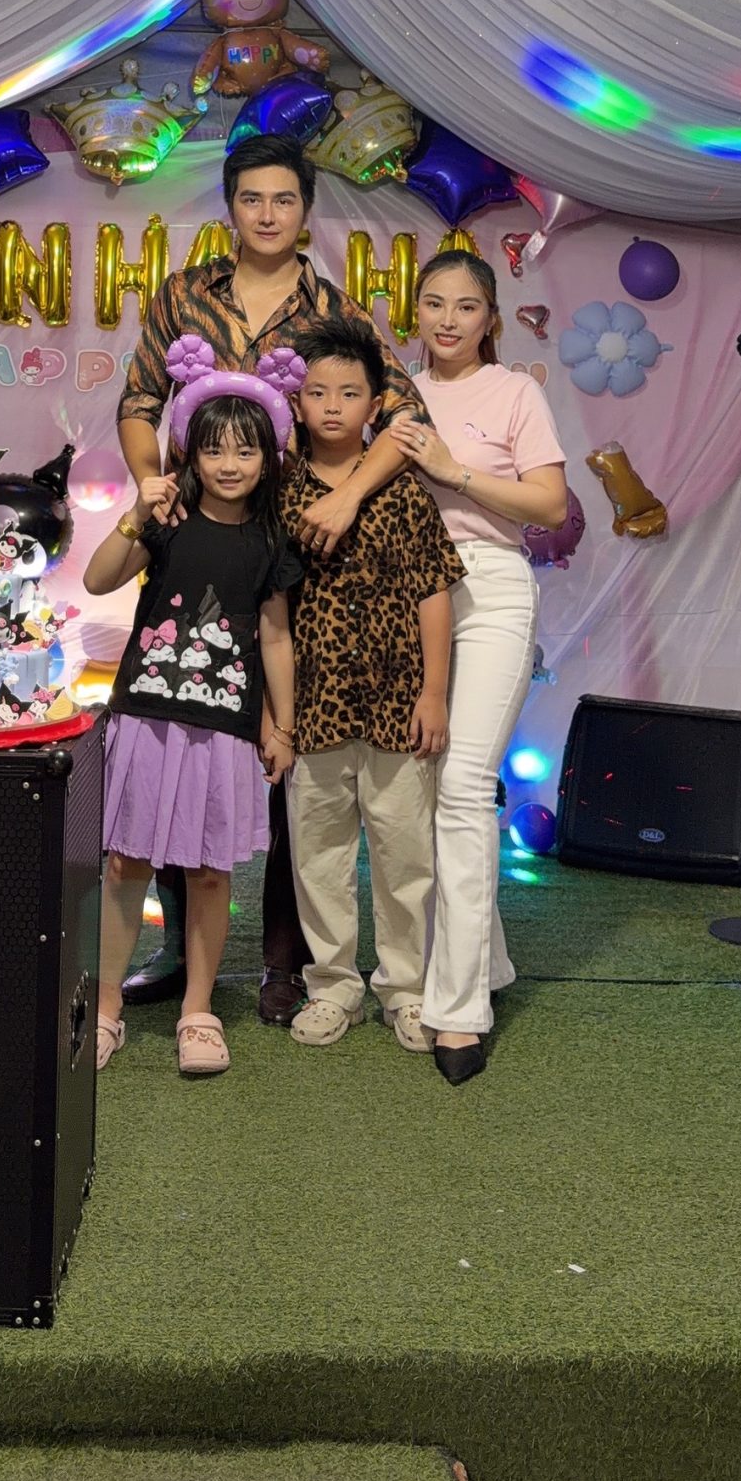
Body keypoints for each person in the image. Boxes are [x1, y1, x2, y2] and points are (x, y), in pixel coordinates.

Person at [116, 133, 426, 1024]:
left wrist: (346, 496)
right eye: (251, 198)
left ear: (305, 211)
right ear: (229, 207)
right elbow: (138, 402)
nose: (266, 214)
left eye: (283, 200)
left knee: (290, 749)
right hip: (194, 540)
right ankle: (177, 950)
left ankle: (285, 963)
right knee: (183, 725)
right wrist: (150, 483)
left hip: (297, 545)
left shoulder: (333, 308)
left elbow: (404, 414)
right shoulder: (183, 294)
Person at [88, 340, 303, 1078]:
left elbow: (275, 637)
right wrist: (133, 514)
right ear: (191, 454)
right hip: (145, 719)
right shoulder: (166, 519)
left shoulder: (271, 540)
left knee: (211, 872)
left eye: (246, 449)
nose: (229, 464)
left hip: (227, 730)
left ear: (269, 458)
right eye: (214, 450)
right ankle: (105, 1007)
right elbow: (96, 581)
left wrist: (282, 725)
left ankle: (198, 1012)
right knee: (126, 864)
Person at [389, 250, 568, 1085]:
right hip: (403, 594)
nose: (448, 319)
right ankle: (483, 961)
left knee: (463, 787)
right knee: (426, 787)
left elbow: (550, 504)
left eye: (466, 306)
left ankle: (457, 1010)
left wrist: (453, 470)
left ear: (490, 319)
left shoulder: (514, 393)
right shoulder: (394, 392)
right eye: (434, 303)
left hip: (490, 586)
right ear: (414, 311)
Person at [281, 319, 464, 1052]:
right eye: (316, 392)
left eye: (349, 393)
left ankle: (406, 988)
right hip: (314, 710)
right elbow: (269, 612)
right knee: (318, 856)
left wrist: (433, 693)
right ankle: (331, 987)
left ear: (376, 404)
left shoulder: (404, 493)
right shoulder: (279, 493)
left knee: (404, 856)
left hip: (397, 707)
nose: (332, 406)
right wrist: (278, 716)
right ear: (294, 403)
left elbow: (433, 592)